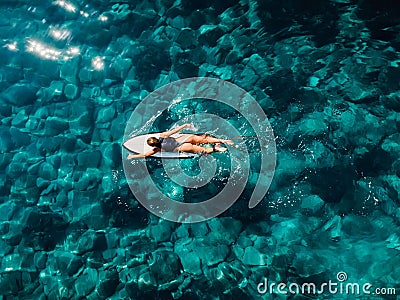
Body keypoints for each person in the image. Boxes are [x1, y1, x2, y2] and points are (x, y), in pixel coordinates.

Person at [127, 123, 233, 159]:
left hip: (182, 148)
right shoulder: (163, 135)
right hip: (185, 138)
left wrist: (132, 156)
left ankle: (216, 148)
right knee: (203, 139)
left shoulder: (156, 150)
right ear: (156, 138)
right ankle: (223, 140)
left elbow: (145, 155)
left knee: (204, 150)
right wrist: (185, 125)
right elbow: (175, 130)